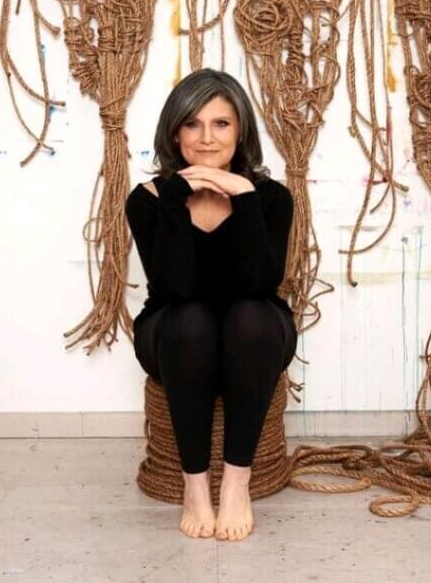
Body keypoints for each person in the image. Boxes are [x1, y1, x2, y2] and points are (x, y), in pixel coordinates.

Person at [124, 68, 297, 541]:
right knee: (192, 320)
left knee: (249, 316)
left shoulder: (271, 199)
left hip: (255, 327)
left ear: (240, 131)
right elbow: (176, 287)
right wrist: (176, 199)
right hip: (173, 328)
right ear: (174, 131)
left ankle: (236, 484)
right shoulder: (148, 200)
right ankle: (195, 486)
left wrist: (243, 200)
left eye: (221, 124)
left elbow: (257, 284)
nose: (205, 138)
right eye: (192, 124)